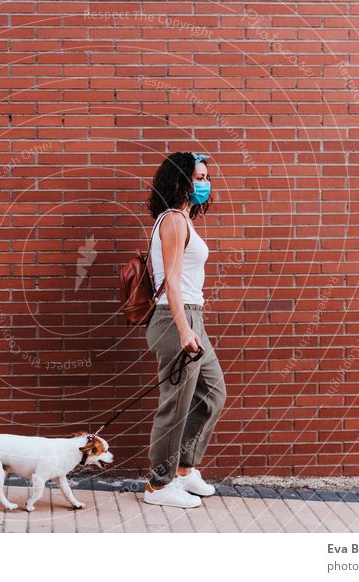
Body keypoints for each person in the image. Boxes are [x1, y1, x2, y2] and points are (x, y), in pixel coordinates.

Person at [143, 152, 228, 509]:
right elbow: (172, 282)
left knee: (213, 393)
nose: (204, 184)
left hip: (192, 317)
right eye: (198, 177)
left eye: (207, 177)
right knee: (175, 406)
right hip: (175, 319)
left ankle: (183, 468)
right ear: (180, 180)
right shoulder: (175, 221)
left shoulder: (183, 220)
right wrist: (183, 329)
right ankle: (158, 486)